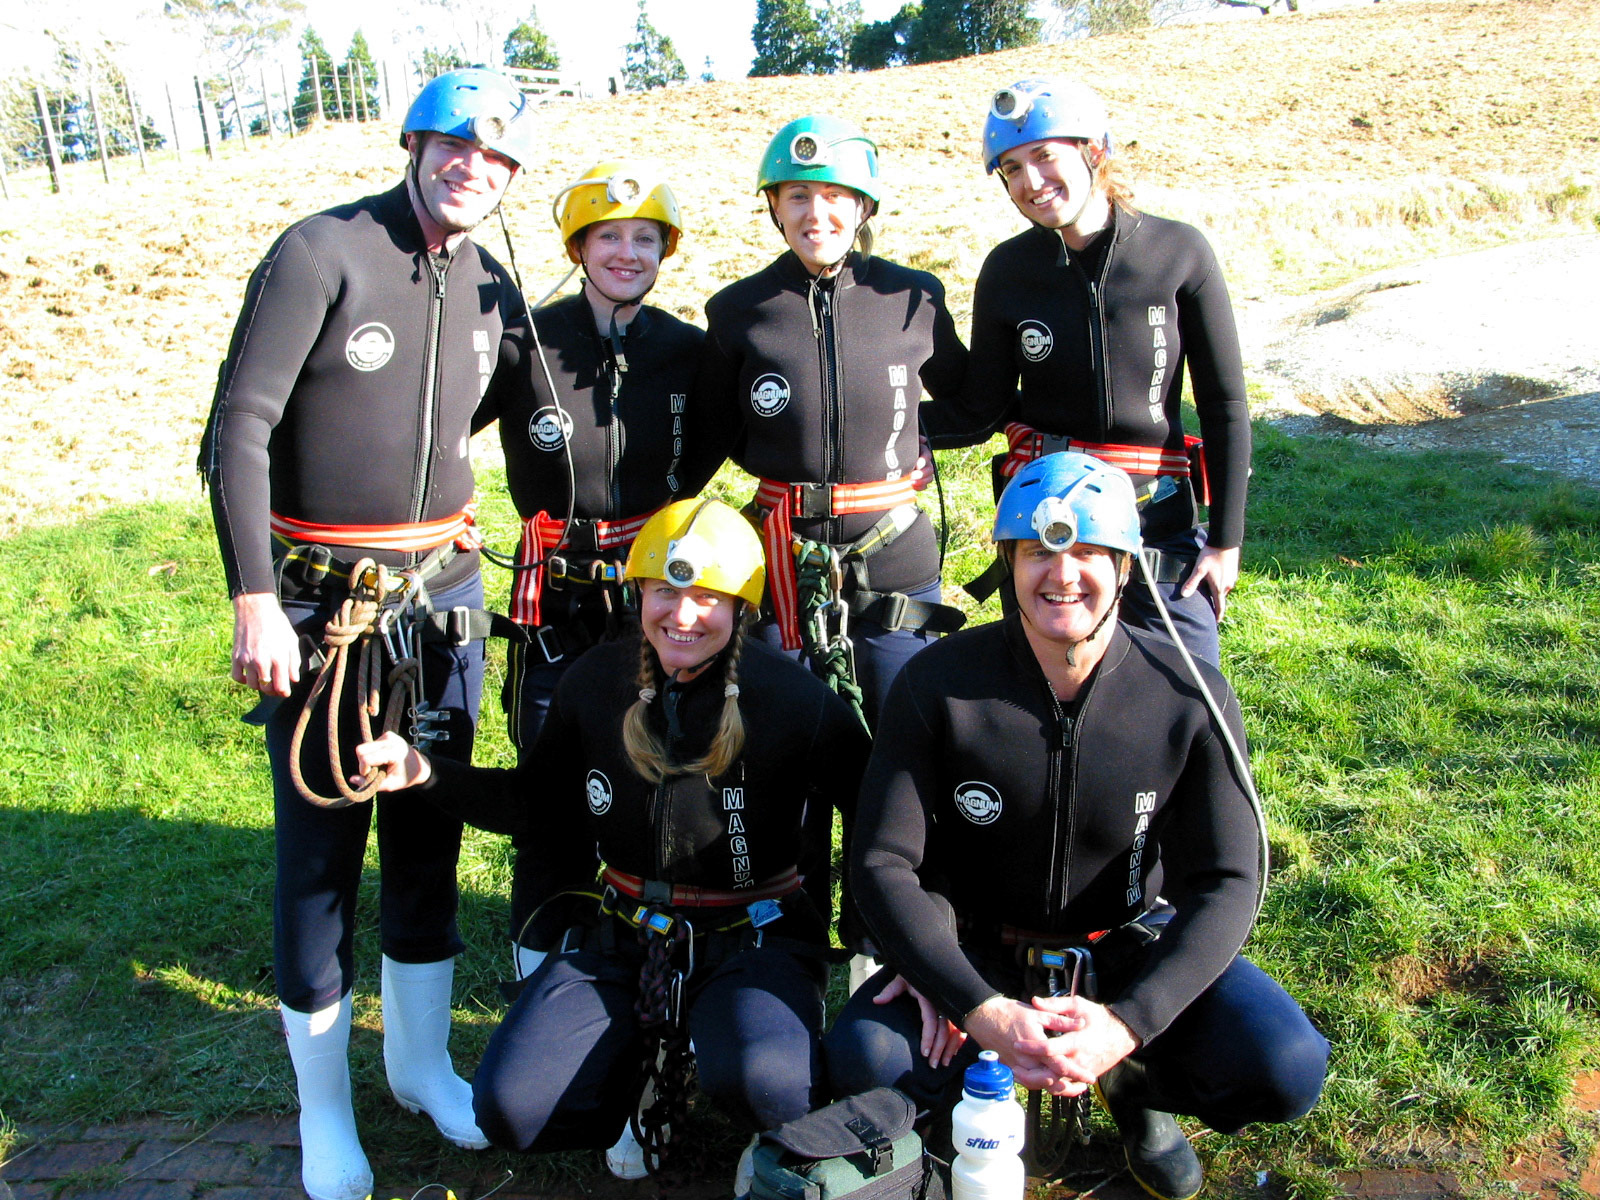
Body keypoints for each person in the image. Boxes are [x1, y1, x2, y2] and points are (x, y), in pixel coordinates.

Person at [197, 68, 534, 1200]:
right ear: (414, 141)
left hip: (443, 600)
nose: (470, 170)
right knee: (320, 857)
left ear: (511, 175)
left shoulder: (494, 279)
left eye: (494, 158)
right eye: (454, 146)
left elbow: (483, 405)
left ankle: (420, 1066)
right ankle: (323, 1115)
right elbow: (237, 428)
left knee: (429, 825)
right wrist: (254, 595)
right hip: (323, 606)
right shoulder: (320, 251)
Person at [824, 453, 1326, 1200]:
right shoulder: (939, 685)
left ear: (1126, 566)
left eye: (1087, 550)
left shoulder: (1189, 694)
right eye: (1036, 551)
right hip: (978, 951)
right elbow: (881, 863)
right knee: (865, 1059)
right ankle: (966, 1109)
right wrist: (974, 1004)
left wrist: (1130, 1022)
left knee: (1284, 1067)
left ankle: (1133, 1085)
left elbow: (1231, 879)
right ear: (1007, 564)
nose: (1061, 574)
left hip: (1125, 947)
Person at [355, 499, 869, 1177]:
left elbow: (875, 816)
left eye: (706, 597)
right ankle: (643, 1070)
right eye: (665, 592)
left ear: (741, 605)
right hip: (626, 936)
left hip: (754, 938)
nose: (682, 616)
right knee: (509, 1106)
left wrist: (877, 946)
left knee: (767, 1084)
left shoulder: (794, 701)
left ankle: (748, 1096)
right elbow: (535, 805)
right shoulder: (597, 681)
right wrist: (424, 772)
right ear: (639, 592)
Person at [922, 79, 1251, 667]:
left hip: (1159, 520)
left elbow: (1225, 405)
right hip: (1050, 524)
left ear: (1093, 150)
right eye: (1012, 168)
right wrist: (876, 432)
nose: (1030, 182)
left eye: (1045, 156)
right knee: (1050, 693)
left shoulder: (1178, 253)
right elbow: (982, 409)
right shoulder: (1008, 270)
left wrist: (1225, 542)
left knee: (1189, 692)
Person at [473, 159, 709, 971]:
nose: (627, 253)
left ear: (664, 252)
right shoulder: (525, 343)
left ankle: (650, 965)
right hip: (553, 600)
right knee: (549, 784)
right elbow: (438, 431)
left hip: (655, 599)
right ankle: (541, 967)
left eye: (645, 239)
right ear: (578, 247)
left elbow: (721, 449)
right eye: (609, 237)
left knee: (658, 774)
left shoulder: (689, 352)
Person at [693, 113, 967, 727]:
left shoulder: (913, 299)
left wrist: (916, 432)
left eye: (835, 195)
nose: (817, 213)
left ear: (864, 206)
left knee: (901, 754)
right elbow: (714, 431)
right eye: (798, 196)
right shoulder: (737, 310)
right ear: (775, 208)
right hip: (781, 563)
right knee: (789, 763)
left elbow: (975, 401)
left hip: (897, 562)